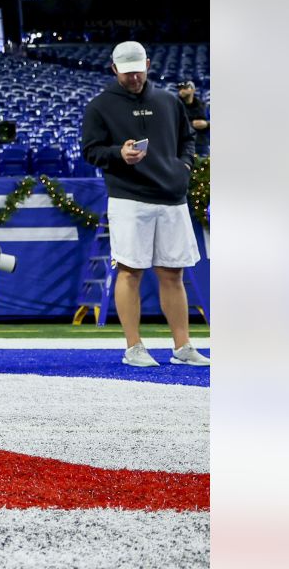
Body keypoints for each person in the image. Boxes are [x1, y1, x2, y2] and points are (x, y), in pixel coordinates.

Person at [81, 41, 209, 367]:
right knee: (130, 271)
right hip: (129, 198)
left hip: (172, 196)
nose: (134, 78)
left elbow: (187, 139)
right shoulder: (100, 106)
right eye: (127, 74)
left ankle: (182, 347)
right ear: (114, 70)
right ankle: (134, 347)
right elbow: (91, 150)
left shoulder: (169, 101)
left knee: (173, 273)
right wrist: (117, 154)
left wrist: (185, 166)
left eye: (138, 71)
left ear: (148, 64)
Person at [176, 81, 209, 156]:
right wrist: (191, 124)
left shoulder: (203, 105)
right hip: (182, 143)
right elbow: (172, 123)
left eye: (185, 88)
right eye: (180, 89)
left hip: (201, 142)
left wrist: (206, 124)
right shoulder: (175, 105)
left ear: (193, 90)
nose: (181, 90)